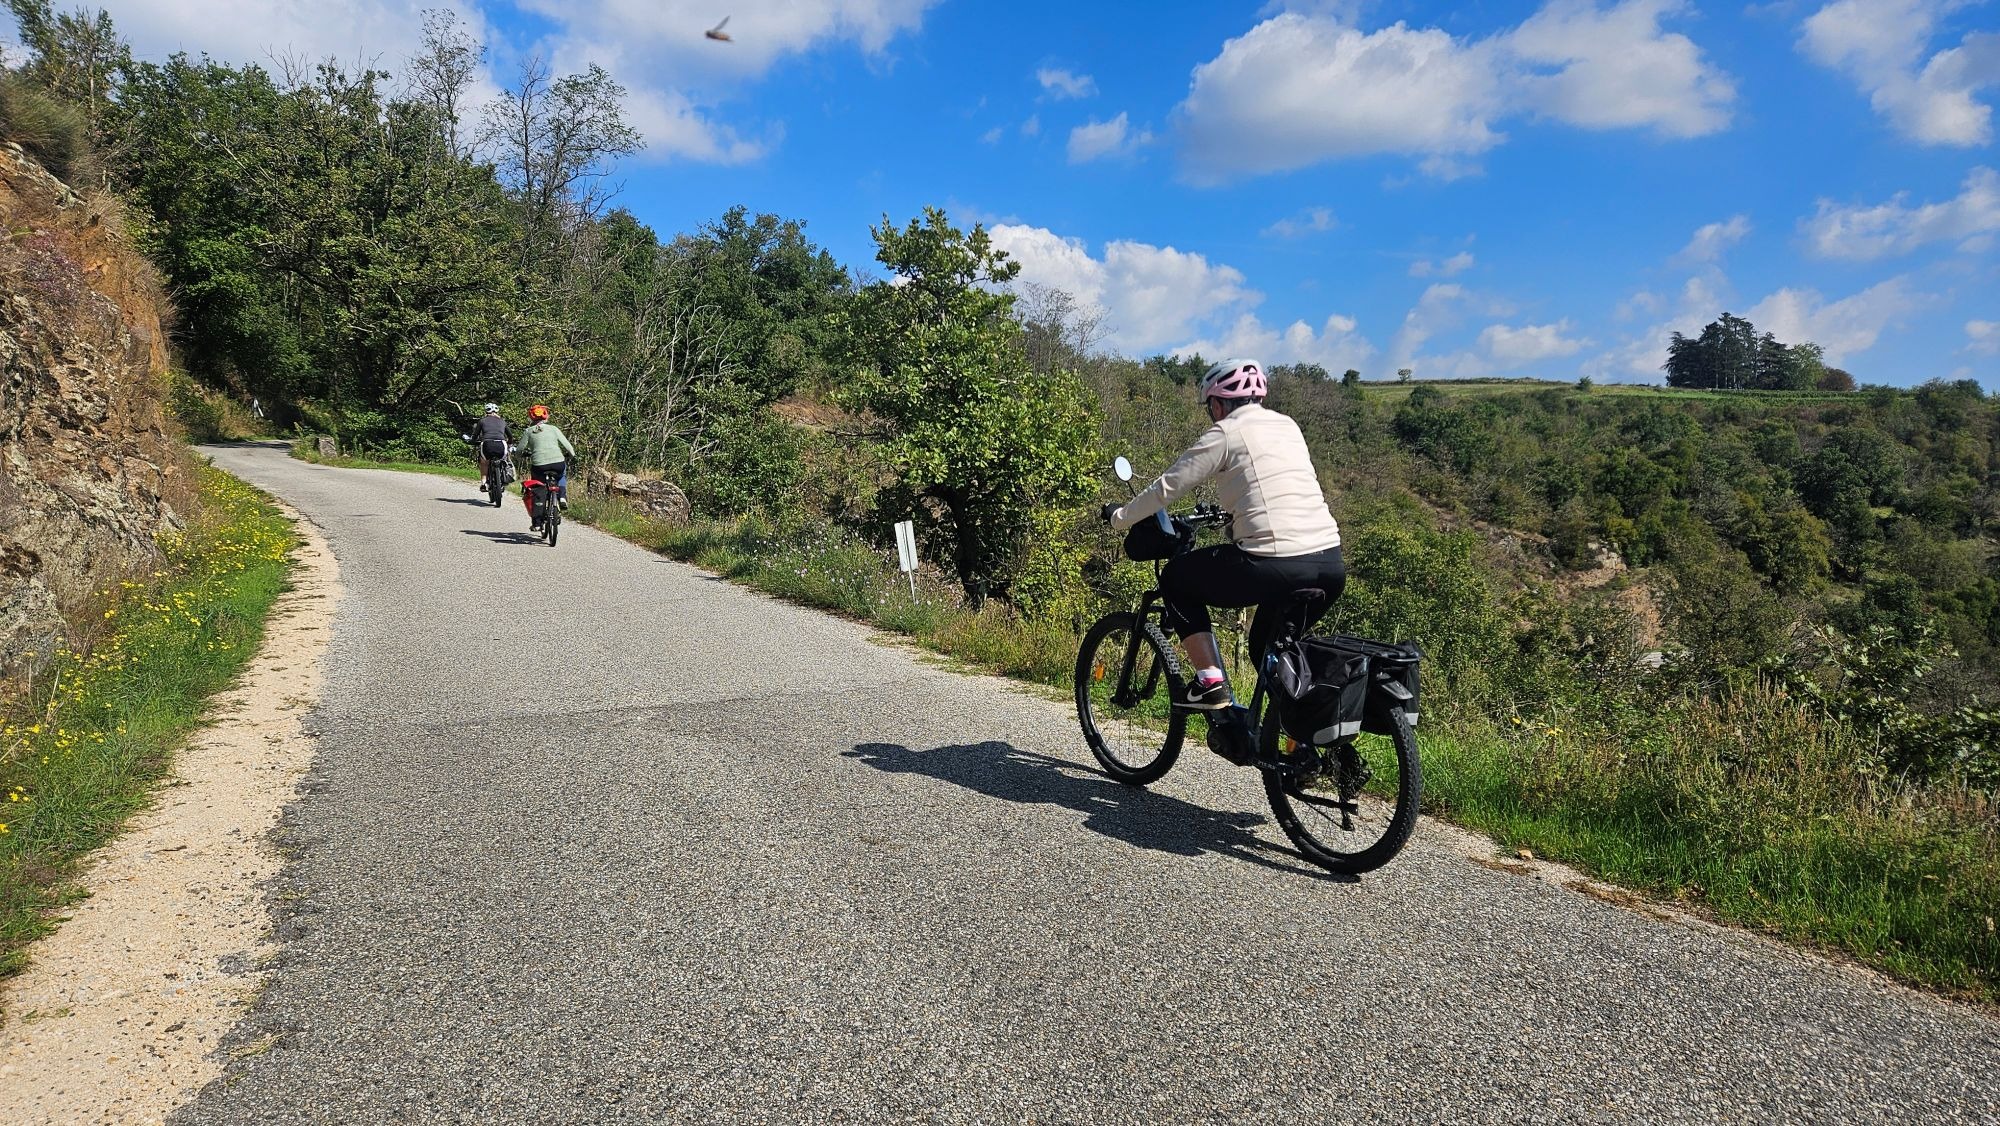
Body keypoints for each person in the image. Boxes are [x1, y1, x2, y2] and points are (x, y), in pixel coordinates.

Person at [1103, 358, 1345, 710]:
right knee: (1266, 650)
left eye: (1210, 407)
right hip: (1330, 564)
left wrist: (1119, 517)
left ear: (1217, 404)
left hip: (1276, 563)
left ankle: (1210, 682)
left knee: (1176, 579)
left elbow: (1166, 488)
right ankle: (1300, 734)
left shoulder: (1226, 433)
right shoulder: (1288, 426)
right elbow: (1272, 487)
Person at [515, 403, 577, 529]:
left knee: (538, 487)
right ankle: (562, 496)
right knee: (561, 474)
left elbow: (519, 450)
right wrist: (571, 455)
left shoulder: (528, 431)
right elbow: (569, 448)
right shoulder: (553, 429)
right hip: (558, 462)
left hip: (539, 466)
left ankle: (537, 523)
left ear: (531, 417)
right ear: (546, 416)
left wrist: (519, 457)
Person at [470, 403, 511, 492]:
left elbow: (475, 435)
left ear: (486, 411)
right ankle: (505, 476)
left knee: (484, 462)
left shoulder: (482, 421)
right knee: (504, 460)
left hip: (487, 444)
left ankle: (484, 483)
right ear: (497, 411)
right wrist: (510, 442)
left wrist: (472, 441)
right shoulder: (502, 421)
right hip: (501, 444)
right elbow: (510, 436)